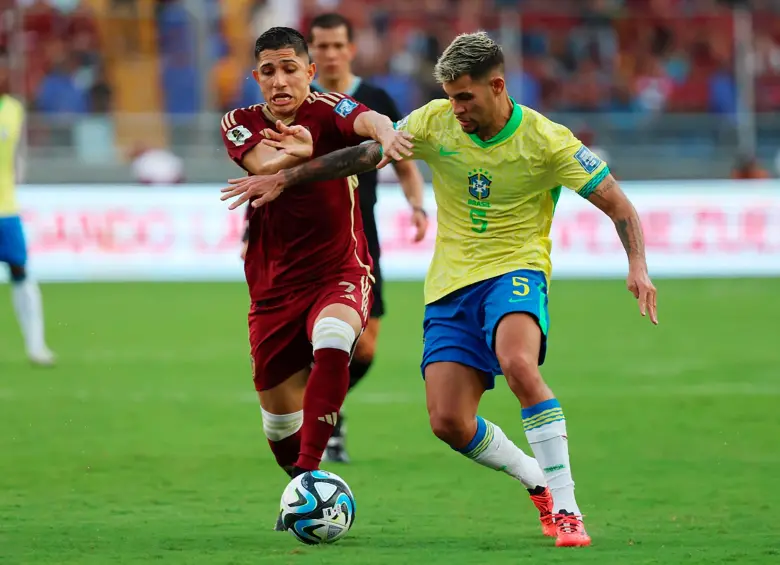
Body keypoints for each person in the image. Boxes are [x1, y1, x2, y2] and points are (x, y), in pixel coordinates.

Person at [221, 31, 659, 547]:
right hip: (450, 285)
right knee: (449, 421)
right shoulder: (436, 119)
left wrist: (638, 266)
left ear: (497, 86)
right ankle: (535, 480)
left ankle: (567, 508)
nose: (456, 108)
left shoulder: (548, 140)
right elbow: (366, 155)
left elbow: (618, 205)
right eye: (449, 96)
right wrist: (291, 176)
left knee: (519, 364)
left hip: (516, 271)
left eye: (465, 97)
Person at [218, 27, 412, 529]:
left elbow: (368, 121)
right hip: (273, 288)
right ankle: (301, 480)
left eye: (289, 68)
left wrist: (387, 133)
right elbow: (262, 166)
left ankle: (309, 476)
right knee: (280, 424)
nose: (280, 80)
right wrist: (297, 155)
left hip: (339, 268)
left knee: (336, 338)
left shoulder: (329, 107)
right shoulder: (238, 122)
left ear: (309, 71)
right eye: (268, 71)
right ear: (256, 77)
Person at [307, 12, 428, 463]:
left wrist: (417, 205)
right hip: (307, 235)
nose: (331, 53)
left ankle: (324, 408)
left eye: (338, 45)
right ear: (311, 54)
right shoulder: (300, 100)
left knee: (367, 343)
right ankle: (323, 420)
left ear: (351, 49)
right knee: (314, 335)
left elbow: (404, 163)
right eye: (322, 46)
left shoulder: (375, 100)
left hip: (362, 235)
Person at [0, 60, 55, 366]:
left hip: (5, 209)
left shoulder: (13, 109)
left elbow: (18, 155)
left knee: (20, 271)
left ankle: (37, 346)